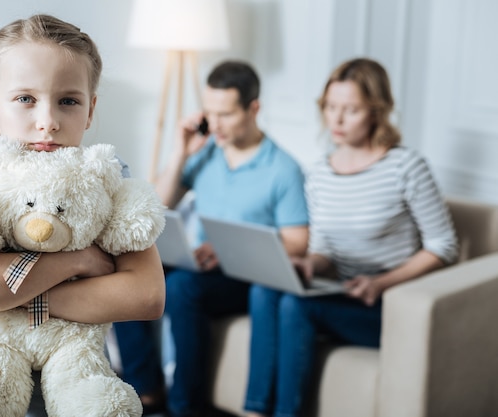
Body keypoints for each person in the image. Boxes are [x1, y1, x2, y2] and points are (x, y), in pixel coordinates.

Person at [0, 14, 165, 416]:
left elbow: (145, 295)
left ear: (90, 110)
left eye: (68, 101)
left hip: (74, 396)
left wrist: (2, 297)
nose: (48, 121)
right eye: (25, 99)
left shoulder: (106, 172)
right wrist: (79, 262)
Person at [243, 57, 459, 417]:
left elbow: (443, 245)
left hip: (387, 304)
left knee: (297, 307)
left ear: (377, 111)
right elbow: (325, 247)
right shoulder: (320, 172)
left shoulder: (406, 167)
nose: (337, 119)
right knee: (265, 290)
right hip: (339, 293)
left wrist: (380, 283)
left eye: (351, 109)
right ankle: (254, 411)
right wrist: (310, 263)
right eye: (330, 107)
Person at [114, 60, 310, 417]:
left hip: (246, 278)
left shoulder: (283, 169)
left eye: (226, 114)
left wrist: (227, 251)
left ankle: (186, 406)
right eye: (209, 112)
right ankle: (145, 390)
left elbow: (298, 242)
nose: (215, 124)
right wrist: (179, 152)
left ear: (254, 109)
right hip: (201, 264)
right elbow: (157, 205)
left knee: (182, 288)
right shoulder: (207, 153)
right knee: (128, 265)